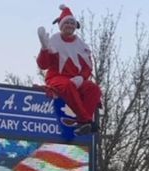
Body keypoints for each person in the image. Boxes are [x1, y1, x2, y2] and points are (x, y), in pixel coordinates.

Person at [36, 4, 101, 136]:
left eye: (72, 23)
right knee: (67, 86)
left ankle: (83, 123)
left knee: (93, 89)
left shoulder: (81, 46)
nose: (70, 26)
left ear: (75, 26)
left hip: (77, 80)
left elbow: (88, 67)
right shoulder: (54, 41)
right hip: (57, 78)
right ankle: (86, 121)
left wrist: (81, 78)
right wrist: (44, 49)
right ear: (61, 25)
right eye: (67, 23)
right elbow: (43, 65)